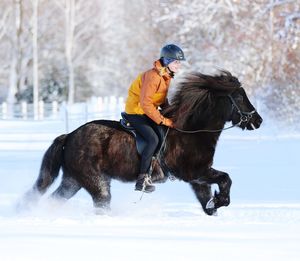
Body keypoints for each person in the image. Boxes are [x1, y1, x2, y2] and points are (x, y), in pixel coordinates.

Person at [124, 44, 185, 193]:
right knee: (153, 139)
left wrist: (171, 113)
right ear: (167, 61)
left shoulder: (166, 76)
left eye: (180, 62)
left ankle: (167, 169)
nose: (179, 65)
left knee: (167, 133)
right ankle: (142, 179)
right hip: (136, 112)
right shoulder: (153, 76)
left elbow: (161, 98)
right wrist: (163, 120)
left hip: (147, 111)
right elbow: (145, 103)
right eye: (176, 62)